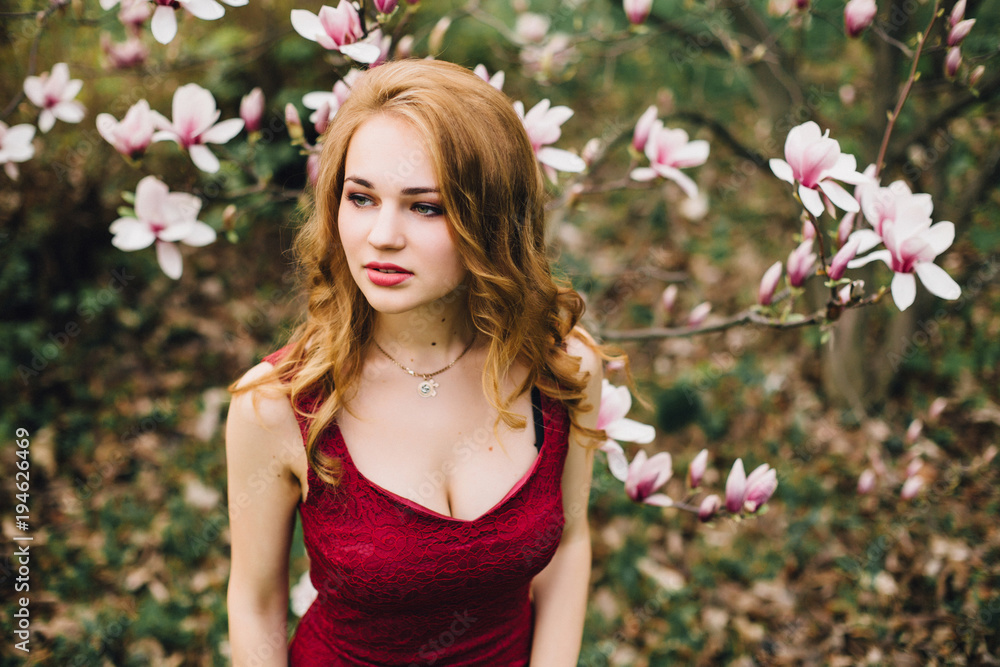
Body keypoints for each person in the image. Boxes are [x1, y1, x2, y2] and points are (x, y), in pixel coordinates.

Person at [225, 58, 620, 666]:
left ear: (491, 222)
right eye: (361, 198)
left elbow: (569, 542)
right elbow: (255, 605)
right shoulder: (278, 404)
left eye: (425, 207)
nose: (382, 235)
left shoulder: (562, 371)